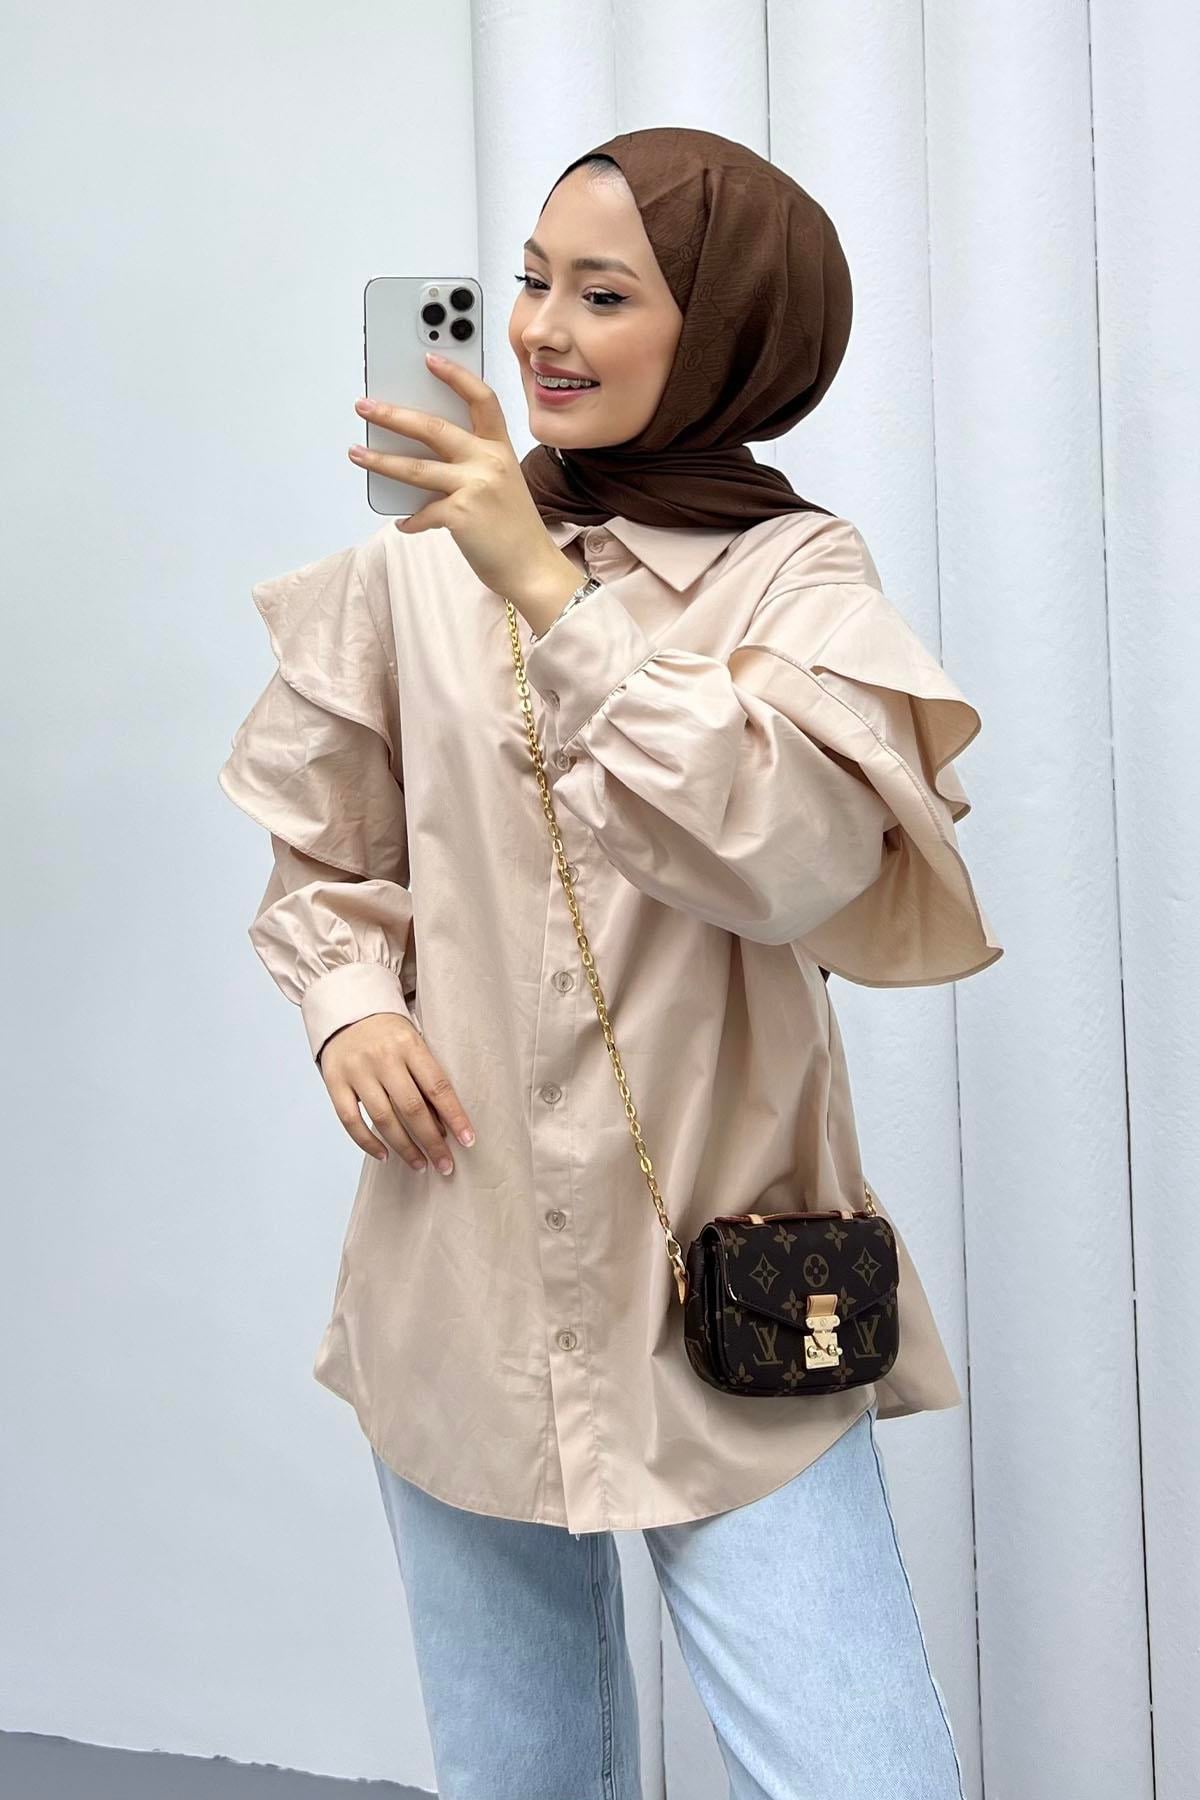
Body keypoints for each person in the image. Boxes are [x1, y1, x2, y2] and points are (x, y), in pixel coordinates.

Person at [219, 126, 1003, 1800]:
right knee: (519, 1775)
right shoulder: (408, 570)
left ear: (726, 332)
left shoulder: (797, 578)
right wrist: (346, 1006)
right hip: (459, 1267)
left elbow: (787, 858)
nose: (540, 332)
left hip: (730, 1285)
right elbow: (324, 842)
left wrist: (550, 593)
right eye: (529, 281)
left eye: (604, 294)